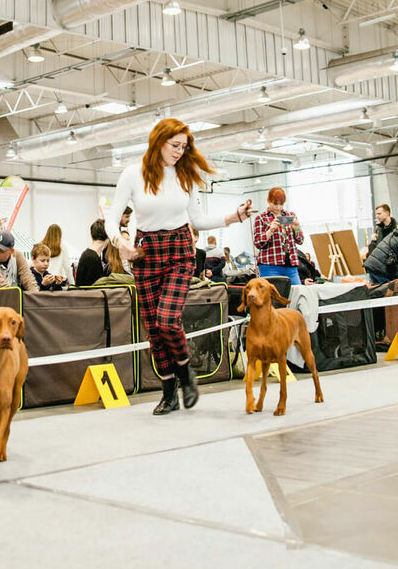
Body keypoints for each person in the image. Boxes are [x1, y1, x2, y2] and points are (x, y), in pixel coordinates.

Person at [106, 118, 252, 415]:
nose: (179, 151)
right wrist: (120, 241)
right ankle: (169, 391)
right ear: (158, 141)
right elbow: (112, 217)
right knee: (154, 329)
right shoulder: (133, 174)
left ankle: (185, 371)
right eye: (175, 145)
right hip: (146, 253)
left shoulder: (186, 174)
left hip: (179, 250)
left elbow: (198, 220)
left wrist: (233, 217)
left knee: (167, 319)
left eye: (184, 147)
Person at [252, 187, 305, 285]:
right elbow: (258, 243)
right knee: (272, 294)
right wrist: (270, 230)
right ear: (268, 201)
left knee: (298, 292)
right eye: (275, 204)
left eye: (281, 204)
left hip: (291, 266)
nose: (278, 207)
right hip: (269, 266)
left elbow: (300, 240)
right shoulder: (261, 218)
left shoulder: (290, 216)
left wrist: (296, 229)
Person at [75, 218, 111, 287]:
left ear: (91, 235)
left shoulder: (89, 255)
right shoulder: (92, 258)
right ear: (108, 236)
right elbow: (95, 289)